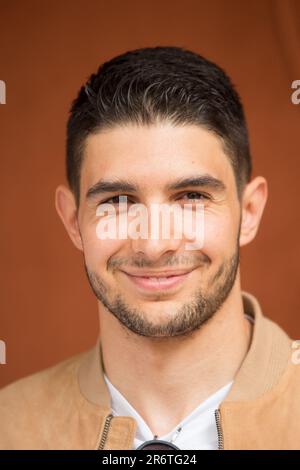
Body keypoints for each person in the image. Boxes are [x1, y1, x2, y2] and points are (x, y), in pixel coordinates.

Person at [0, 46, 299, 450]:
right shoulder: (10, 426)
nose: (155, 245)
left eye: (191, 196)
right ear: (73, 221)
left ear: (249, 212)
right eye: (117, 201)